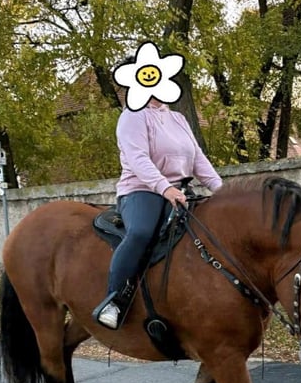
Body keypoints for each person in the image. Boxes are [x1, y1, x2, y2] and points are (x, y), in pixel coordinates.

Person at [93, 98, 224, 329]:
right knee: (141, 233)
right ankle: (114, 301)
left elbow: (198, 159)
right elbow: (138, 159)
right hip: (141, 190)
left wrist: (224, 191)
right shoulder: (133, 116)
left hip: (181, 192)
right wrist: (165, 188)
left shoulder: (178, 119)